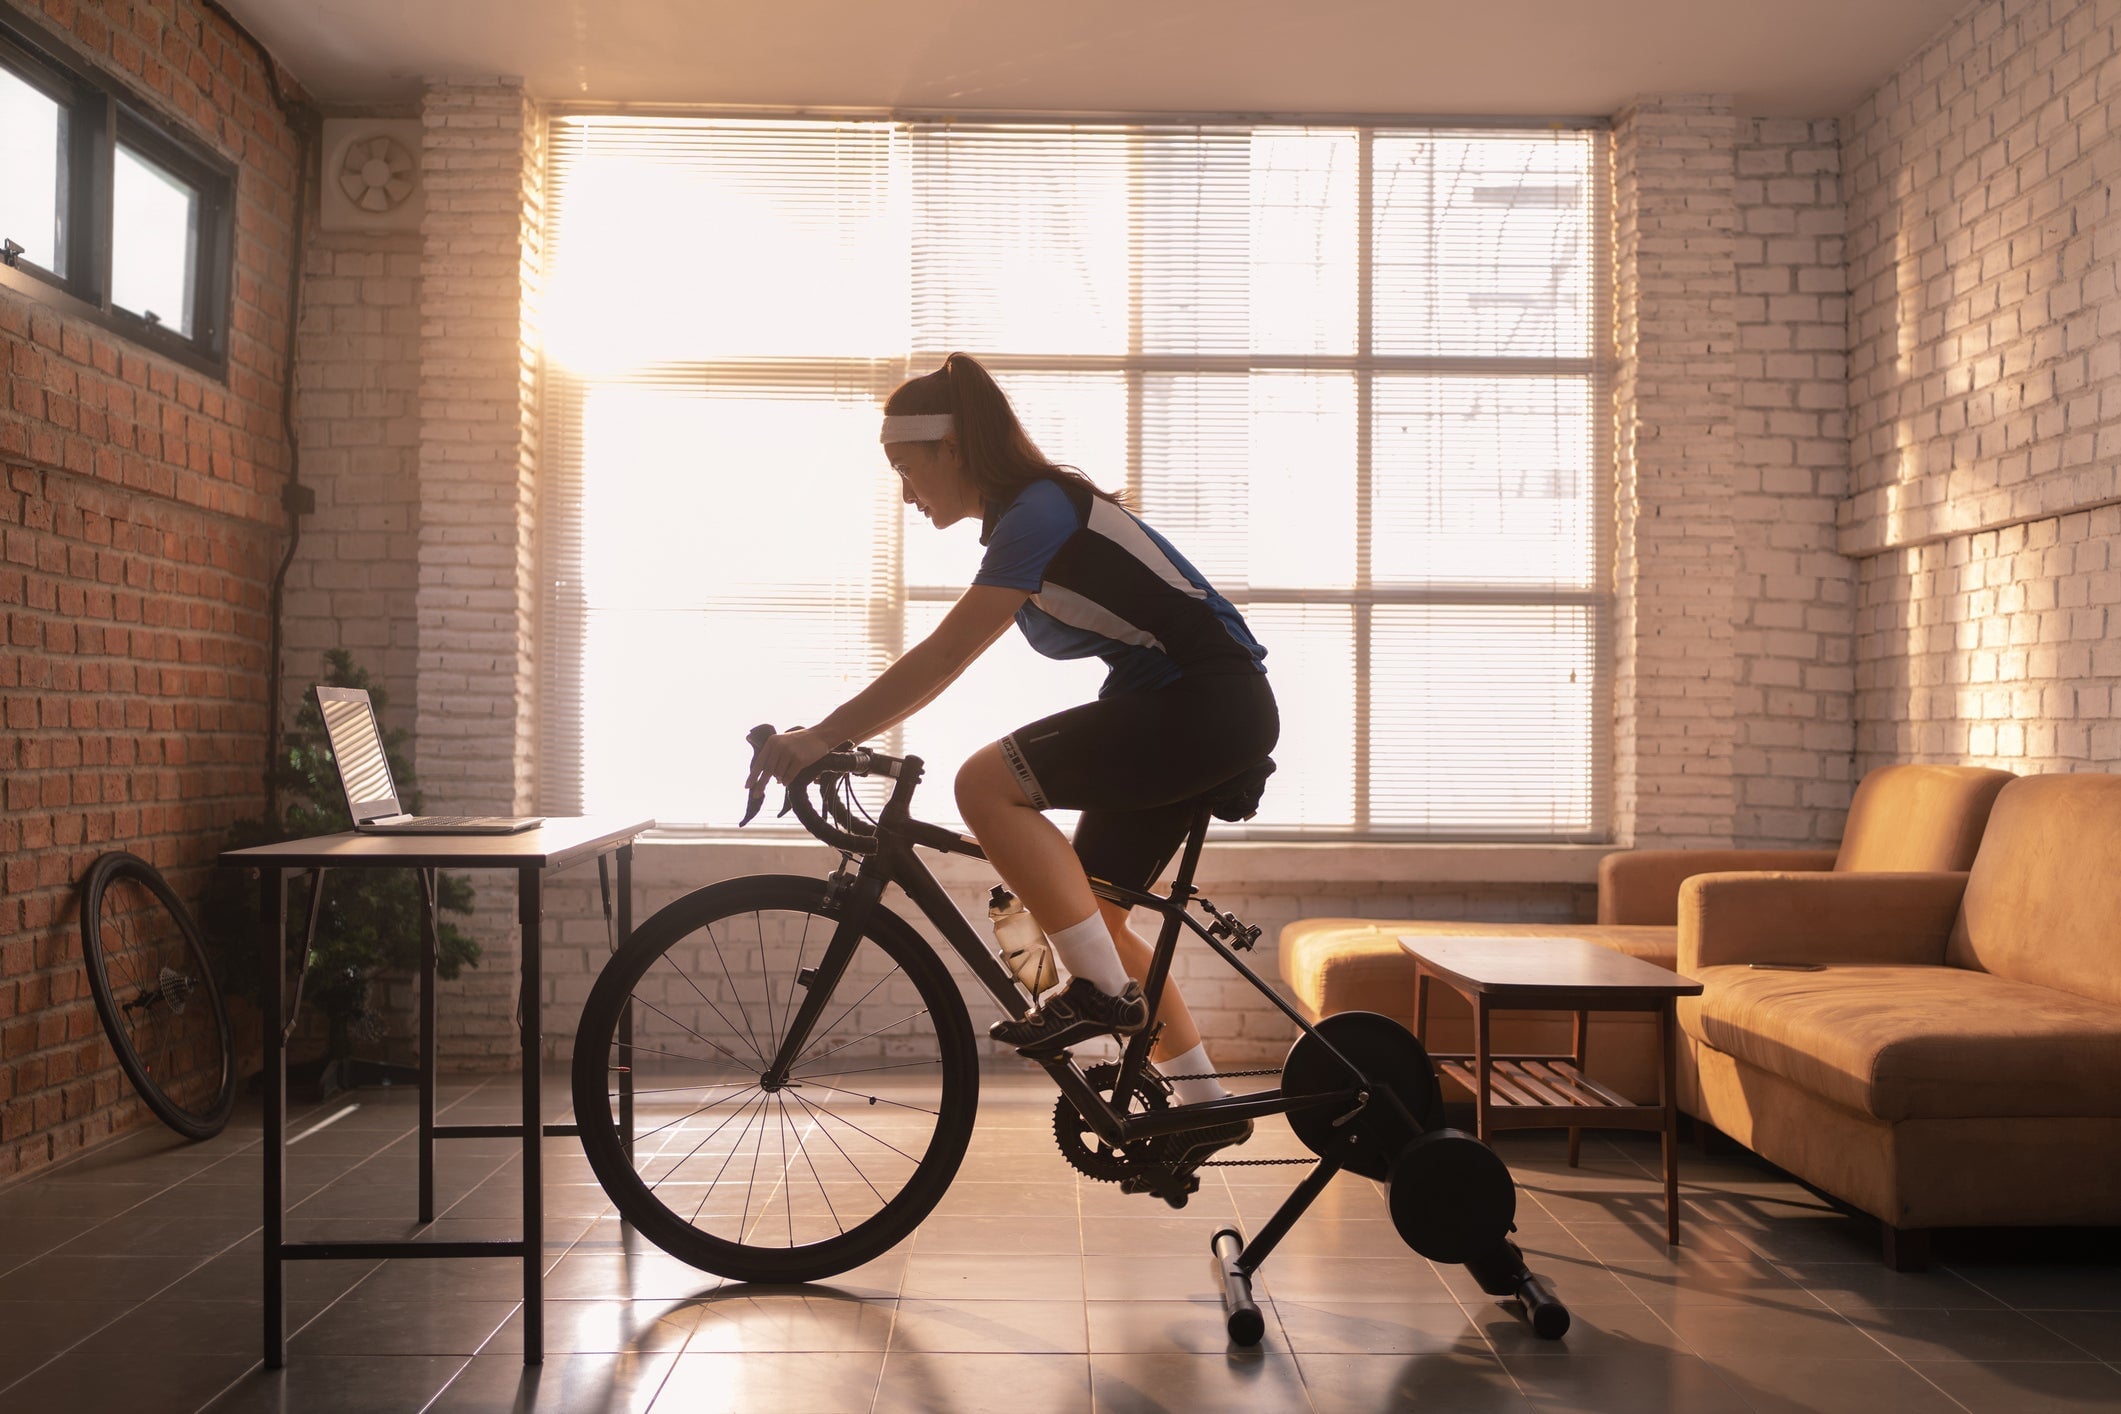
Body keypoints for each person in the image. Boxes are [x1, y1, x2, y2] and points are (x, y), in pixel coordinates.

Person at [747, 352, 1277, 1167]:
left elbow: (947, 653)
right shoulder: (1028, 516)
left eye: (904, 465)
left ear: (951, 448)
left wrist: (821, 736)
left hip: (1201, 704)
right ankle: (1203, 1105)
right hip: (1187, 705)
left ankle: (1102, 995)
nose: (903, 490)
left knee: (982, 784)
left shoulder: (1038, 510)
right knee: (1090, 917)